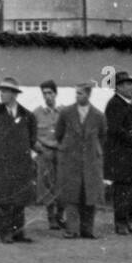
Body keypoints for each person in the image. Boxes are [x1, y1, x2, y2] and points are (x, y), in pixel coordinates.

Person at [0, 77, 37, 244]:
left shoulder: (27, 115)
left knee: (20, 199)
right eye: (1, 91)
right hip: (2, 164)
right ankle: (5, 233)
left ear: (14, 94)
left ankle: (18, 232)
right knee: (3, 199)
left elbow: (32, 138)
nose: (1, 94)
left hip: (21, 163)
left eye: (5, 91)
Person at [55, 81, 106, 239]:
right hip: (71, 159)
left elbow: (103, 136)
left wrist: (93, 150)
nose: (77, 96)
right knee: (71, 196)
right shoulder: (66, 113)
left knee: (89, 196)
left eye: (81, 93)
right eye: (76, 93)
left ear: (89, 94)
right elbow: (59, 133)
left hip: (90, 161)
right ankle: (72, 229)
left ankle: (87, 230)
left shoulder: (98, 115)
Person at [103, 71, 132, 235]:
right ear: (118, 87)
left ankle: (130, 220)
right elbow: (115, 129)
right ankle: (121, 222)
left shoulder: (130, 104)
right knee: (122, 190)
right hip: (120, 155)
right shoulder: (114, 104)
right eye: (128, 84)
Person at [33, 81, 63, 230]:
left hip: (61, 152)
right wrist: (37, 146)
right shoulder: (37, 113)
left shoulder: (63, 112)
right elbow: (30, 134)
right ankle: (51, 218)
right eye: (44, 93)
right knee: (46, 185)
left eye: (50, 93)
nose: (47, 96)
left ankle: (60, 216)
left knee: (62, 183)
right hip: (44, 153)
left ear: (55, 94)